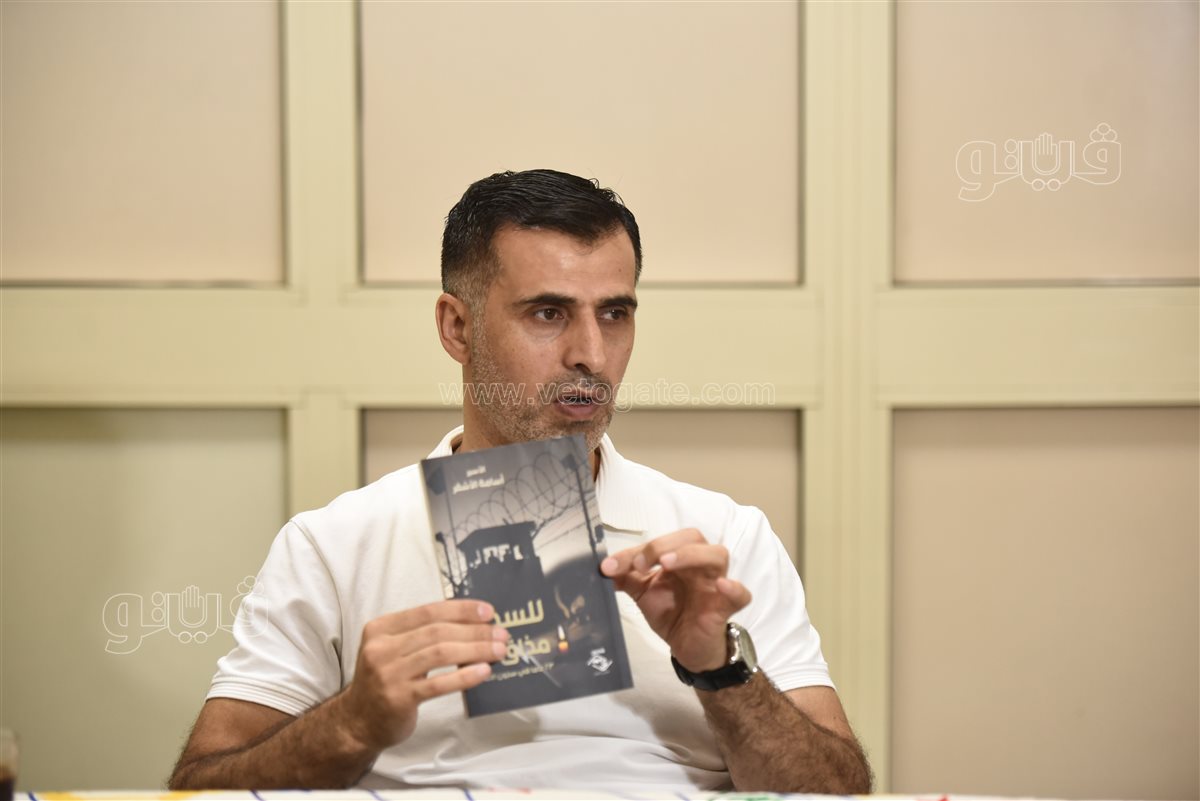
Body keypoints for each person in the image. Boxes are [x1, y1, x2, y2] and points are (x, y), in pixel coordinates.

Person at [169, 169, 871, 793]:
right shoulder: (334, 544)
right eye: (548, 313)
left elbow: (839, 793)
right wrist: (351, 722)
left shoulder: (722, 537)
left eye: (614, 314)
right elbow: (197, 789)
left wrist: (717, 667)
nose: (590, 354)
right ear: (457, 327)